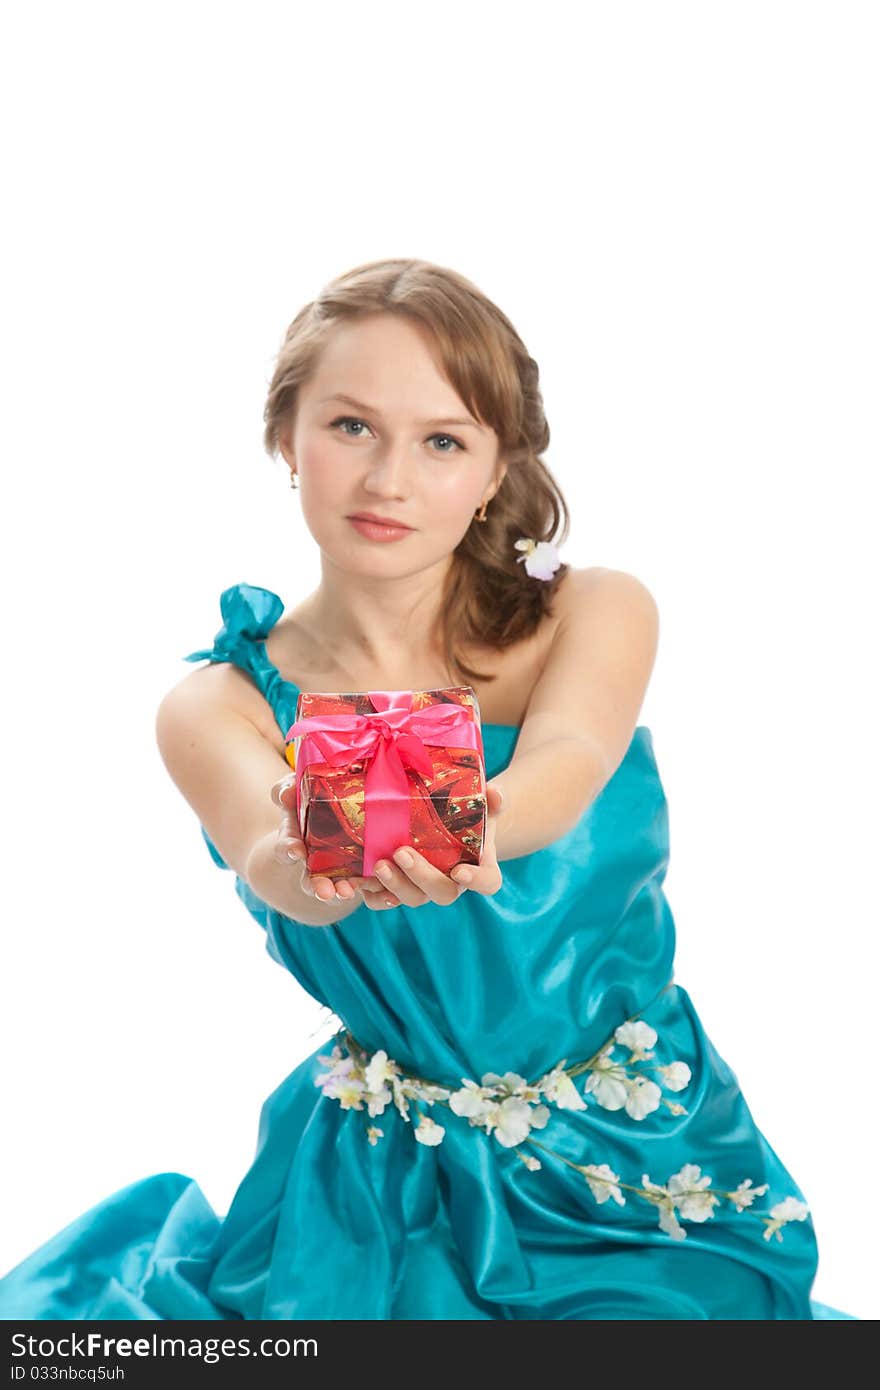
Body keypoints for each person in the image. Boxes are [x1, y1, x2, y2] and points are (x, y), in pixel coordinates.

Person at [0, 259, 854, 1320]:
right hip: (387, 1182)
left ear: (495, 470)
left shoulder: (593, 610)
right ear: (287, 439)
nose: (387, 479)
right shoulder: (218, 701)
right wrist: (329, 867)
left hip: (641, 1148)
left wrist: (473, 821)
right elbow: (276, 864)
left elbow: (568, 765)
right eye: (350, 426)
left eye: (441, 440)